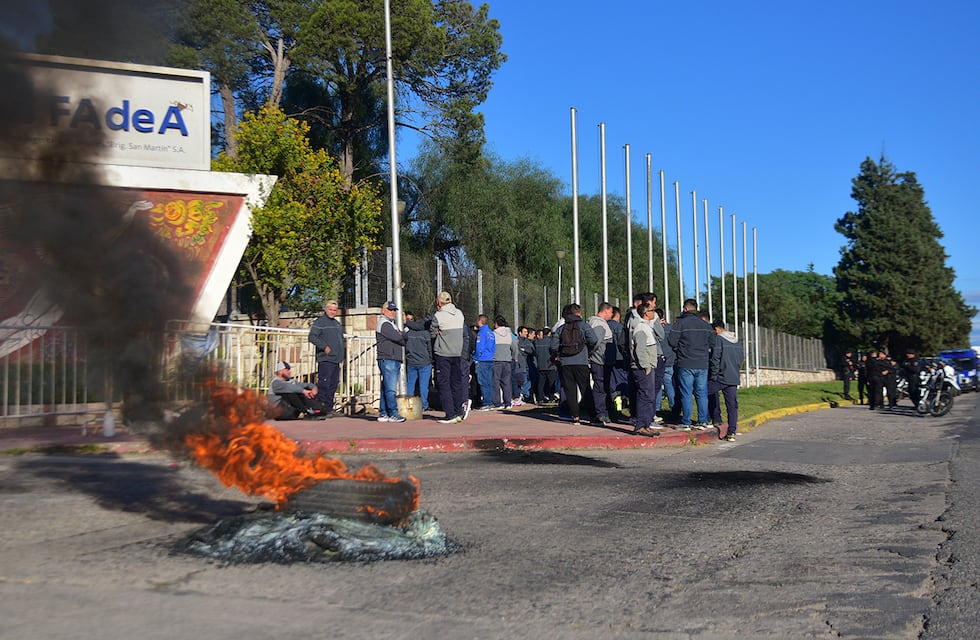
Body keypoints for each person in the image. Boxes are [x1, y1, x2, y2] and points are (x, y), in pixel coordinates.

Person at [667, 298, 713, 431]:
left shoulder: (681, 324)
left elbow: (672, 341)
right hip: (702, 363)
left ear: (685, 309)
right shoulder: (706, 325)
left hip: (685, 362)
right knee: (701, 393)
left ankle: (686, 422)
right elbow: (713, 343)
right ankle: (702, 421)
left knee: (686, 393)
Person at [550, 303, 598, 425]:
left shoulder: (561, 328)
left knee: (570, 390)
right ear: (577, 313)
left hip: (565, 363)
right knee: (586, 388)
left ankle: (575, 416)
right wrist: (588, 350)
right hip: (581, 361)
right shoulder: (583, 326)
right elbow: (594, 340)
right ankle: (593, 416)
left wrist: (559, 354)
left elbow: (553, 346)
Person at [430, 291, 469, 424]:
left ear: (439, 302)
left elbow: (432, 332)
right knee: (456, 383)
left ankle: (449, 414)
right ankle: (458, 412)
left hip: (443, 353)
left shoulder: (438, 316)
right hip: (457, 353)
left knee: (444, 384)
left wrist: (439, 332)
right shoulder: (459, 313)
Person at [308, 299, 345, 415]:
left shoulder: (337, 324)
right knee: (324, 384)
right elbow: (312, 337)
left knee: (333, 384)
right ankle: (321, 408)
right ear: (325, 309)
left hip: (336, 359)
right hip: (326, 359)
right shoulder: (320, 322)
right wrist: (324, 347)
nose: (333, 312)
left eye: (335, 310)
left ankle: (329, 408)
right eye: (330, 309)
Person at [708, 320, 744, 441]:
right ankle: (731, 432)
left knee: (703, 393)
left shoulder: (719, 339)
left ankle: (707, 419)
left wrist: (713, 375)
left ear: (717, 329)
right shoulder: (737, 341)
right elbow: (741, 358)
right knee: (732, 405)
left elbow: (715, 358)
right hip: (733, 377)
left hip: (720, 377)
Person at [630, 304, 662, 436]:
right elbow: (640, 349)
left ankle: (646, 423)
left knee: (649, 395)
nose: (654, 312)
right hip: (643, 368)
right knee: (645, 395)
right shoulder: (641, 328)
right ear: (645, 313)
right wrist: (646, 366)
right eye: (651, 310)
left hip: (649, 366)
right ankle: (641, 425)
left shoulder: (647, 326)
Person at [375, 301, 407, 423]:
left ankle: (383, 413)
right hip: (388, 358)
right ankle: (393, 413)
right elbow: (399, 338)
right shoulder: (385, 324)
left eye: (394, 310)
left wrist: (401, 335)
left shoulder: (390, 324)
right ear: (383, 310)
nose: (392, 312)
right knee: (391, 389)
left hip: (392, 358)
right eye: (390, 309)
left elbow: (402, 339)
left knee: (386, 387)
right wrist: (402, 334)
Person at [587, 302, 615, 424]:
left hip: (603, 361)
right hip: (600, 361)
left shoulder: (600, 323)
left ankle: (604, 412)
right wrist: (593, 355)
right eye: (611, 312)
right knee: (600, 387)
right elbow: (596, 342)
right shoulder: (599, 323)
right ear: (605, 311)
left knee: (603, 387)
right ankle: (601, 413)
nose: (612, 314)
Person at [403, 311, 433, 412]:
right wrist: (430, 359)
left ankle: (409, 404)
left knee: (410, 384)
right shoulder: (426, 334)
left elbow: (406, 348)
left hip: (411, 362)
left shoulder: (408, 333)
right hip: (424, 362)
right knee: (423, 385)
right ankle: (424, 405)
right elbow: (429, 348)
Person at [654, 307, 675, 424]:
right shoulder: (670, 328)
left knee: (657, 386)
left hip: (658, 359)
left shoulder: (654, 328)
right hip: (670, 360)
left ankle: (657, 409)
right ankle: (673, 406)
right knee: (669, 385)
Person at [491, 315, 518, 409]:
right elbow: (514, 348)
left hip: (496, 360)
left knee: (495, 382)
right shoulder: (509, 334)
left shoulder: (493, 334)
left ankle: (497, 402)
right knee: (506, 382)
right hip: (507, 360)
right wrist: (514, 357)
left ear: (496, 324)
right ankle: (508, 402)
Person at [474, 314, 496, 409]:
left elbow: (479, 347)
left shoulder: (481, 333)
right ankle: (490, 400)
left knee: (483, 381)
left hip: (482, 359)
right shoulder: (491, 333)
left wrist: (476, 358)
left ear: (480, 321)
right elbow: (494, 347)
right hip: (490, 359)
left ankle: (487, 402)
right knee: (489, 381)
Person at [535, 327, 557, 404]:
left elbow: (535, 353)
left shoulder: (537, 343)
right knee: (551, 382)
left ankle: (540, 398)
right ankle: (551, 398)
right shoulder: (551, 342)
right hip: (550, 365)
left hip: (540, 365)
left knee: (541, 383)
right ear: (549, 333)